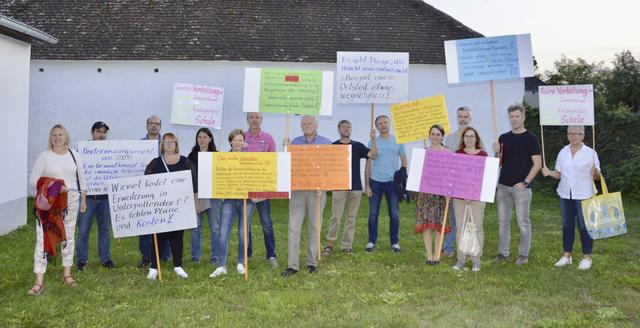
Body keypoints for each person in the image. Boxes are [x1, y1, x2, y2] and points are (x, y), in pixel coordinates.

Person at [28, 124, 87, 295]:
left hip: (72, 201)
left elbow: (82, 179)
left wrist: (83, 199)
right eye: (54, 135)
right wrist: (54, 185)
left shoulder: (74, 155)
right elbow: (33, 180)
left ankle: (67, 274)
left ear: (66, 136)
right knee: (43, 238)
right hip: (50, 204)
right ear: (50, 138)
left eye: (60, 134)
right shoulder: (44, 157)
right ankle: (39, 280)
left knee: (68, 237)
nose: (57, 137)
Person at [541, 125, 600, 270]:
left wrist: (595, 172)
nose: (573, 136)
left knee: (584, 226)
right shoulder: (563, 152)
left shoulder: (590, 153)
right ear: (567, 135)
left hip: (584, 194)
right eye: (570, 133)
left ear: (582, 136)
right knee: (567, 225)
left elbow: (598, 177)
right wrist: (549, 172)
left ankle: (587, 257)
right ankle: (567, 256)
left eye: (577, 133)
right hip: (565, 193)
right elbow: (559, 174)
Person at [281, 115, 332, 277]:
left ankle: (312, 263)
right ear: (301, 126)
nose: (307, 126)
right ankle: (292, 265)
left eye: (310, 123)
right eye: (304, 124)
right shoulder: (295, 142)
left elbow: (330, 167)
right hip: (298, 190)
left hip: (317, 190)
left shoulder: (326, 142)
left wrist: (323, 186)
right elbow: (287, 164)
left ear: (316, 125)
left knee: (315, 226)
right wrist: (286, 149)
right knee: (293, 227)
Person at [492, 104, 542, 266]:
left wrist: (526, 182)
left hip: (521, 188)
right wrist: (497, 151)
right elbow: (499, 163)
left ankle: (523, 254)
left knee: (523, 222)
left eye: (517, 116)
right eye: (511, 117)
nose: (514, 119)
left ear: (523, 117)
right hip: (503, 186)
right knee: (502, 222)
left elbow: (537, 164)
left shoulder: (531, 138)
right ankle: (503, 253)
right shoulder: (503, 138)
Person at [146, 133, 198, 280]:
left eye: (172, 141)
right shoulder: (155, 163)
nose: (169, 144)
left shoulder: (185, 162)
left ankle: (178, 266)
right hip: (159, 207)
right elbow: (146, 184)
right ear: (162, 144)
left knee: (177, 237)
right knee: (157, 237)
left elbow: (194, 184)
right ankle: (154, 268)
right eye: (166, 141)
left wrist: (196, 204)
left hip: (179, 207)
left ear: (176, 144)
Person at [322, 120, 376, 255]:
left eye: (348, 127)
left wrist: (373, 139)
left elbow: (373, 154)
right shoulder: (333, 146)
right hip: (339, 187)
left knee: (351, 218)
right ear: (338, 129)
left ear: (351, 129)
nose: (346, 129)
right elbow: (325, 165)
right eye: (343, 127)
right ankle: (329, 244)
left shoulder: (358, 146)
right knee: (336, 217)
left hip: (355, 188)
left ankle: (346, 246)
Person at [210, 129, 255, 277]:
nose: (237, 143)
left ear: (244, 142)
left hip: (246, 201)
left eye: (240, 140)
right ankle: (222, 265)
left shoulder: (251, 159)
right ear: (230, 141)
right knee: (223, 233)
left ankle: (241, 262)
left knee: (243, 234)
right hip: (229, 200)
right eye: (234, 140)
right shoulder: (223, 158)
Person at [364, 115, 407, 253]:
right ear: (376, 127)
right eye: (380, 123)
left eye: (385, 122)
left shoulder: (398, 140)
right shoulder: (372, 142)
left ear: (389, 124)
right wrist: (367, 185)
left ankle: (394, 242)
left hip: (392, 184)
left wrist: (401, 177)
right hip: (375, 182)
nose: (383, 125)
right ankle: (371, 241)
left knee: (394, 214)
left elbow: (404, 161)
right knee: (373, 214)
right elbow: (368, 164)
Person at [75, 121, 115, 272]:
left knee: (104, 230)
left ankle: (105, 259)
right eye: (99, 131)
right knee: (83, 230)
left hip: (105, 197)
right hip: (88, 198)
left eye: (104, 132)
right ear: (92, 133)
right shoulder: (82, 151)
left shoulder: (111, 151)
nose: (102, 135)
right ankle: (81, 260)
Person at [242, 112, 278, 266]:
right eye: (251, 117)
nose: (254, 120)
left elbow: (274, 161)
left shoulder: (268, 138)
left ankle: (271, 255)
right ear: (247, 120)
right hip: (246, 186)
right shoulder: (241, 137)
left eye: (257, 117)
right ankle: (246, 254)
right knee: (246, 222)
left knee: (266, 222)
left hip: (263, 187)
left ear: (261, 120)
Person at [451, 127, 488, 272]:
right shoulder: (457, 154)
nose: (469, 139)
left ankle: (476, 260)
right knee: (460, 229)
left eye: (472, 136)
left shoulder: (483, 155)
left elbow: (485, 178)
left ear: (476, 138)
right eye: (467, 136)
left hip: (477, 198)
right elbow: (454, 176)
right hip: (459, 198)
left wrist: (472, 193)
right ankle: (461, 259)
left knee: (477, 227)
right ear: (463, 138)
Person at [415, 125, 451, 265]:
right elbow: (418, 174)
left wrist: (449, 191)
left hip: (441, 194)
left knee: (438, 224)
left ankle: (437, 255)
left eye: (438, 134)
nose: (435, 136)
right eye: (432, 134)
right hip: (426, 194)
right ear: (429, 135)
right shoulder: (423, 153)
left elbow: (451, 174)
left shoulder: (448, 154)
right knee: (427, 225)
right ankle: (429, 255)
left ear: (442, 136)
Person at [138, 115, 171, 268]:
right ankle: (146, 257)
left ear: (160, 126)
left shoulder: (166, 144)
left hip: (164, 190)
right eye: (151, 123)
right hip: (145, 190)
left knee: (165, 223)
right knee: (145, 224)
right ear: (146, 125)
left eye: (156, 124)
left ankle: (164, 255)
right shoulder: (138, 145)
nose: (153, 126)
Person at [187, 127, 222, 264]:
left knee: (215, 227)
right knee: (196, 227)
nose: (202, 140)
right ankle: (195, 257)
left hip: (213, 195)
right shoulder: (191, 156)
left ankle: (215, 256)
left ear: (210, 139)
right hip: (197, 195)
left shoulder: (216, 155)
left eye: (204, 137)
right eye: (199, 137)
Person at [442, 106, 472, 257]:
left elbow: (482, 159)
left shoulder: (475, 137)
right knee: (451, 216)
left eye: (466, 116)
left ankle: (466, 248)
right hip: (452, 183)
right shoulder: (450, 138)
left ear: (470, 118)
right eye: (460, 116)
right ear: (457, 117)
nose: (463, 119)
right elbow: (446, 159)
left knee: (467, 218)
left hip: (468, 184)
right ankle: (448, 248)